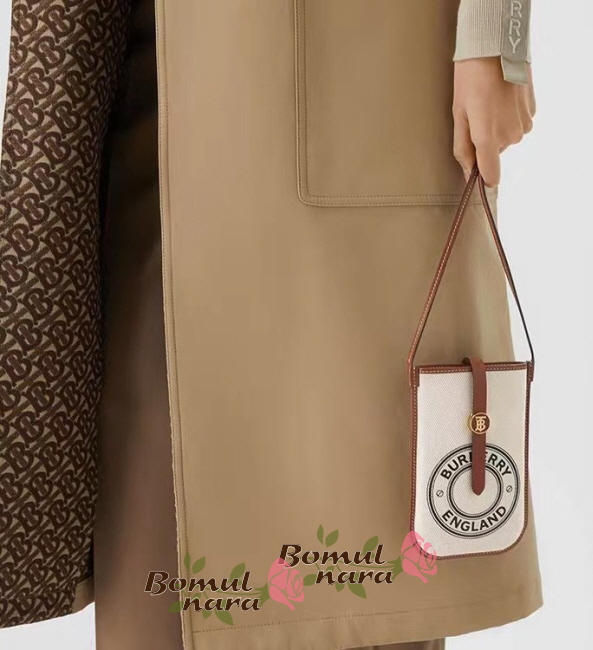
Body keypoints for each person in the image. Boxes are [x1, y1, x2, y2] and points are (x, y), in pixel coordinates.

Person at [0, 1, 541, 648]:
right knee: (155, 530)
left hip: (348, 67)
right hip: (137, 63)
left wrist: (495, 34)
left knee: (363, 558)